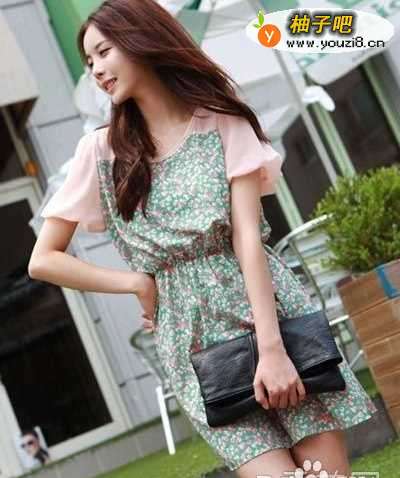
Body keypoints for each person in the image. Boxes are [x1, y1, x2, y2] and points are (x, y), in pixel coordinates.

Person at [28, 1, 377, 476]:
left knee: (327, 474)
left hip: (269, 315)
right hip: (191, 341)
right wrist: (135, 282)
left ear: (140, 41)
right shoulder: (101, 152)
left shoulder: (221, 121)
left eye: (104, 52)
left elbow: (247, 237)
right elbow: (43, 259)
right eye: (89, 61)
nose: (96, 70)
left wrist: (272, 349)